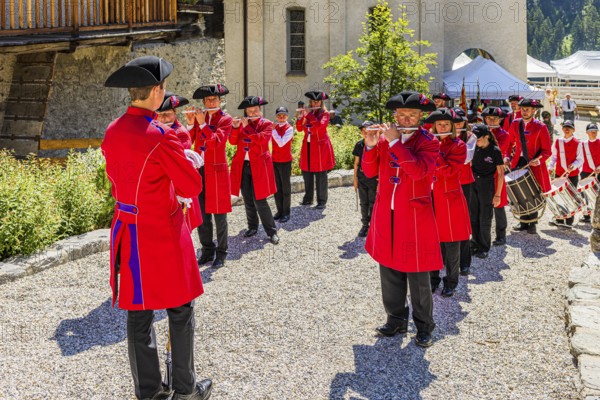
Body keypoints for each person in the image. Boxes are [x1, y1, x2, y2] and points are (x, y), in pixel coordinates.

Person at [103, 56, 212, 400]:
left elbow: (115, 179)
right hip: (161, 232)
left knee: (139, 313)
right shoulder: (160, 136)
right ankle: (185, 390)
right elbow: (191, 187)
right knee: (180, 310)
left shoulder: (113, 129)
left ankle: (149, 392)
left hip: (127, 228)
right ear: (157, 90)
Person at [362, 91, 442, 347]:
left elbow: (418, 172)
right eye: (401, 115)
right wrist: (371, 145)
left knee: (418, 274)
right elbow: (369, 170)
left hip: (415, 216)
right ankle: (395, 319)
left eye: (412, 115)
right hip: (387, 212)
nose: (406, 119)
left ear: (421, 116)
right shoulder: (386, 139)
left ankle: (424, 327)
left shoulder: (429, 142)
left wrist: (395, 143)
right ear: (395, 116)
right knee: (389, 269)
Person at [426, 108, 471, 297]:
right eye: (439, 124)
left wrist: (435, 149)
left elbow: (450, 171)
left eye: (446, 124)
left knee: (451, 244)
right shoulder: (427, 144)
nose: (442, 127)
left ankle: (451, 282)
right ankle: (433, 279)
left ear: (452, 126)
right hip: (430, 197)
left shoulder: (459, 145)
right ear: (434, 126)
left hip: (449, 199)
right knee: (433, 243)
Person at [188, 84, 233, 269]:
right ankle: (207, 250)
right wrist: (191, 122)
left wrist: (203, 124)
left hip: (217, 171)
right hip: (200, 169)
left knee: (219, 214)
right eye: (207, 100)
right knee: (202, 214)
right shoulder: (201, 117)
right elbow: (189, 140)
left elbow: (216, 143)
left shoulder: (226, 119)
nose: (210, 102)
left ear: (220, 101)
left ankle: (222, 252)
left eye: (214, 99)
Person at [230, 96, 280, 244]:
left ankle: (271, 231)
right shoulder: (240, 124)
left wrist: (246, 128)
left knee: (260, 200)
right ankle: (252, 227)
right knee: (247, 198)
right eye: (250, 111)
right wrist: (234, 127)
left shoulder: (267, 124)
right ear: (246, 111)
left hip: (259, 166)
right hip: (243, 165)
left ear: (260, 110)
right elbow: (232, 141)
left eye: (256, 110)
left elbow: (261, 140)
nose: (253, 113)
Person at [157, 92, 203, 232]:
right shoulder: (157, 129)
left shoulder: (180, 132)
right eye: (161, 114)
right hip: (164, 186)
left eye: (168, 114)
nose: (164, 118)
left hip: (178, 189)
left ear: (175, 113)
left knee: (180, 229)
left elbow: (177, 163)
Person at [505, 98, 552, 234]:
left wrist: (538, 160)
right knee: (520, 192)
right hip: (518, 163)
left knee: (533, 192)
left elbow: (547, 151)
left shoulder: (540, 127)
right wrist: (507, 156)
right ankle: (523, 221)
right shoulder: (515, 124)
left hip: (534, 163)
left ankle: (532, 223)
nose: (524, 112)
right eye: (523, 109)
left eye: (527, 109)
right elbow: (509, 144)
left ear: (534, 110)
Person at [470, 124, 505, 258]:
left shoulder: (495, 150)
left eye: (478, 139)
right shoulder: (474, 148)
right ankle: (474, 242)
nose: (476, 142)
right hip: (474, 183)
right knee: (473, 215)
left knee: (485, 217)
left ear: (486, 137)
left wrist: (497, 194)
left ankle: (484, 246)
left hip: (487, 184)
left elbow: (501, 173)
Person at [296, 91, 336, 209]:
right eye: (313, 101)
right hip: (308, 145)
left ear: (321, 102)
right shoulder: (308, 112)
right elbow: (299, 129)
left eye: (317, 101)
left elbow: (319, 127)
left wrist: (308, 115)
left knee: (320, 174)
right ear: (310, 102)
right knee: (306, 173)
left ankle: (321, 201)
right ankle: (308, 199)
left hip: (320, 147)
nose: (315, 103)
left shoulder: (325, 114)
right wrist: (299, 117)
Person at [453, 107, 476, 275]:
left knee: (462, 222)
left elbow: (466, 158)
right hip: (444, 183)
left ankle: (465, 261)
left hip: (464, 183)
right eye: (454, 122)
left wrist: (451, 144)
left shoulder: (470, 136)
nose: (457, 125)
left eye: (460, 122)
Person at [547, 120, 583, 227]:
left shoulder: (578, 143)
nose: (567, 129)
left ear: (573, 130)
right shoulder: (558, 141)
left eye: (569, 128)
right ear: (562, 129)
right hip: (559, 173)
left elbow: (580, 159)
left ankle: (569, 220)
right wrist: (550, 166)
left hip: (572, 175)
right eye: (565, 127)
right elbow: (553, 157)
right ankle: (560, 218)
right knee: (559, 196)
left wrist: (574, 166)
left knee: (571, 196)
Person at [482, 106, 509, 246]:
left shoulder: (504, 134)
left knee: (499, 206)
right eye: (489, 118)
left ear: (500, 120)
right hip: (482, 173)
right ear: (485, 119)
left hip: (496, 172)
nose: (491, 120)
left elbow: (498, 150)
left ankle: (501, 234)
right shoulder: (480, 132)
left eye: (495, 118)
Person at [352, 121, 379, 238]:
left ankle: (373, 225)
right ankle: (365, 225)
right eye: (363, 130)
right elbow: (356, 163)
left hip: (374, 178)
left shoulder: (378, 144)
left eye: (367, 130)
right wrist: (355, 180)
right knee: (364, 203)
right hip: (362, 177)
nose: (364, 132)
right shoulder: (359, 145)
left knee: (373, 203)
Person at [271, 106, 294, 223]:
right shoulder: (273, 128)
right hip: (274, 160)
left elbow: (281, 142)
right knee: (277, 188)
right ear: (276, 116)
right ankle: (279, 211)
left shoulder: (289, 129)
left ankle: (286, 212)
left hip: (285, 161)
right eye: (279, 115)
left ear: (287, 116)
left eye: (284, 115)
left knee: (285, 188)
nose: (281, 117)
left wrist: (273, 130)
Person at [581, 123, 600, 223]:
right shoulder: (583, 144)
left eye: (595, 131)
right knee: (585, 195)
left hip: (599, 172)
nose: (594, 133)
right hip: (586, 172)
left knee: (598, 194)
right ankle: (587, 216)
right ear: (587, 133)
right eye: (592, 131)